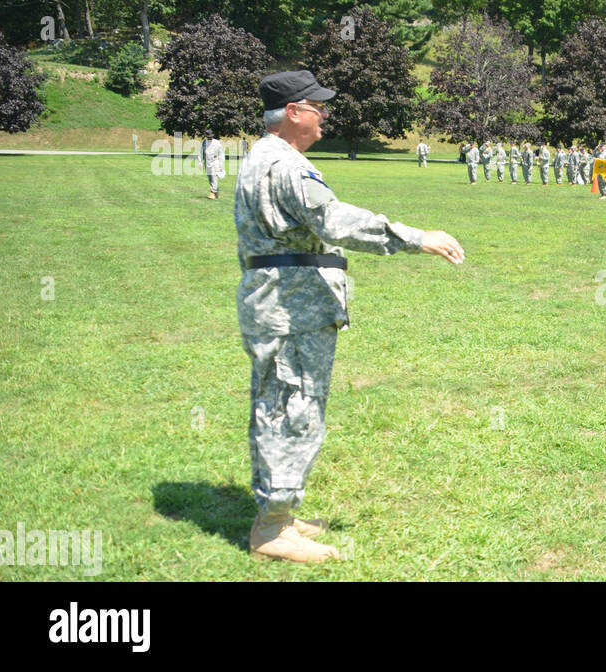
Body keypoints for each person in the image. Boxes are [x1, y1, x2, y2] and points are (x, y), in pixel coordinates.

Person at [235, 70, 465, 562]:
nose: (324, 114)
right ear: (293, 113)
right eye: (317, 106)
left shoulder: (266, 156)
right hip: (288, 309)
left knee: (285, 404)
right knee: (291, 408)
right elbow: (333, 220)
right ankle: (271, 529)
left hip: (284, 305)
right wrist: (413, 237)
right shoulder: (285, 166)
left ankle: (281, 511)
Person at [201, 130, 225, 200]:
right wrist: (200, 162)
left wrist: (221, 165)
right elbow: (201, 152)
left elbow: (221, 154)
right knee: (210, 178)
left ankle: (212, 192)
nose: (210, 138)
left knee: (213, 177)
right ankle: (216, 193)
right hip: (207, 162)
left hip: (215, 162)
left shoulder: (217, 143)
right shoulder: (204, 143)